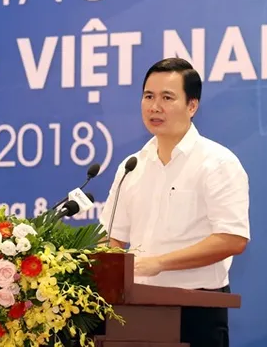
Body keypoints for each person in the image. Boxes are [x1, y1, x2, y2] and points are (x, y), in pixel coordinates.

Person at [99, 58, 250, 347]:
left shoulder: (217, 162)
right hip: (133, 309)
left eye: (167, 98)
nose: (154, 107)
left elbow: (232, 238)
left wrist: (159, 263)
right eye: (148, 96)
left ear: (192, 106)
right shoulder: (132, 165)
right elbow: (111, 237)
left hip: (196, 311)